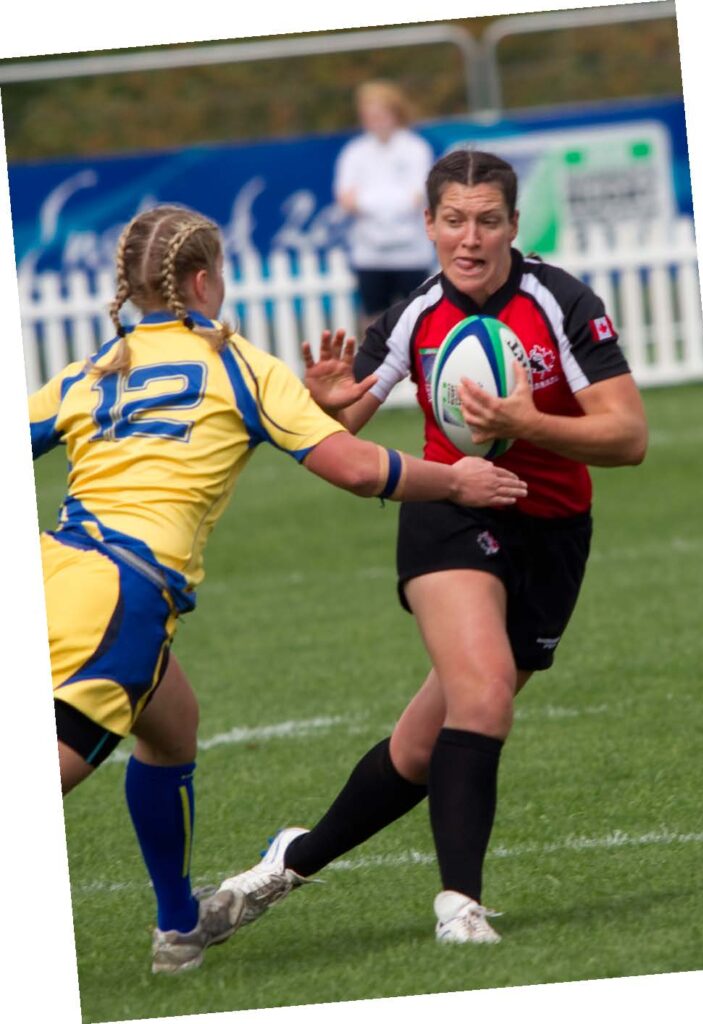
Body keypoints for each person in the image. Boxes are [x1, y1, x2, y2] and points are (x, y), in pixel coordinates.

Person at [29, 203, 527, 973]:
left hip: (49, 572)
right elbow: (358, 470)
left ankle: (177, 930)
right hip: (119, 598)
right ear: (202, 281)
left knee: (170, 727)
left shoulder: (89, 370)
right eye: (220, 272)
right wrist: (456, 481)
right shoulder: (237, 365)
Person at [219, 150, 649, 944]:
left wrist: (530, 426)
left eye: (488, 220)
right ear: (428, 224)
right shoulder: (415, 313)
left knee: (422, 745)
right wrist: (322, 406)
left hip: (553, 535)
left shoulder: (560, 301)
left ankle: (290, 860)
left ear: (514, 226)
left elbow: (627, 437)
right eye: (453, 220)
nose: (470, 238)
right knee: (483, 695)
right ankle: (459, 906)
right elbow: (341, 430)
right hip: (448, 514)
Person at [334, 80, 435, 332]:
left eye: (380, 114)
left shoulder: (416, 149)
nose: (375, 121)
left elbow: (418, 196)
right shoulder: (354, 152)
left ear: (395, 112)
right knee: (374, 323)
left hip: (411, 253)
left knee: (420, 318)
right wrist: (394, 201)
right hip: (370, 254)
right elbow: (346, 200)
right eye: (369, 115)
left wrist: (367, 202)